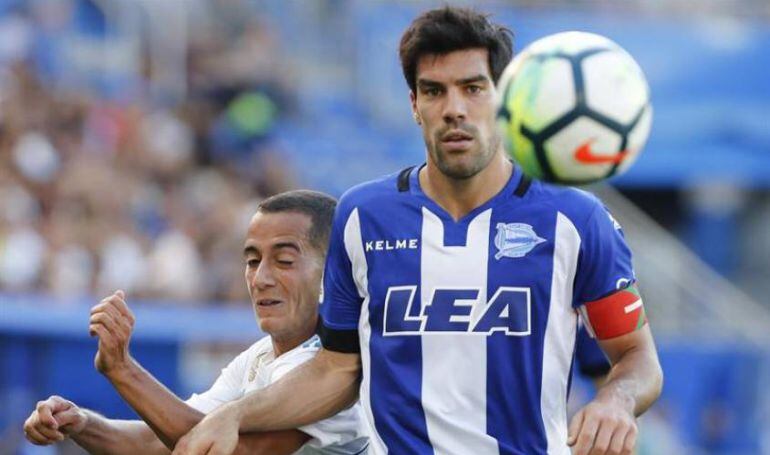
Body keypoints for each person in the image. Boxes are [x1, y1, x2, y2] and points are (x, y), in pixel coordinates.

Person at [175, 7, 663, 455]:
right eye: (434, 90)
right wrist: (235, 412)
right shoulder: (363, 216)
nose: (454, 108)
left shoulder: (576, 220)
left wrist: (617, 400)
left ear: (505, 99)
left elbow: (636, 356)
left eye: (473, 88)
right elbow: (336, 368)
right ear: (413, 103)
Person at [23, 190, 369, 454]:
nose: (260, 278)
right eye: (252, 261)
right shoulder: (260, 357)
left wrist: (122, 370)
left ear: (333, 272)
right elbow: (156, 442)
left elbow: (222, 449)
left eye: (284, 260)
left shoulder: (334, 369)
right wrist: (81, 423)